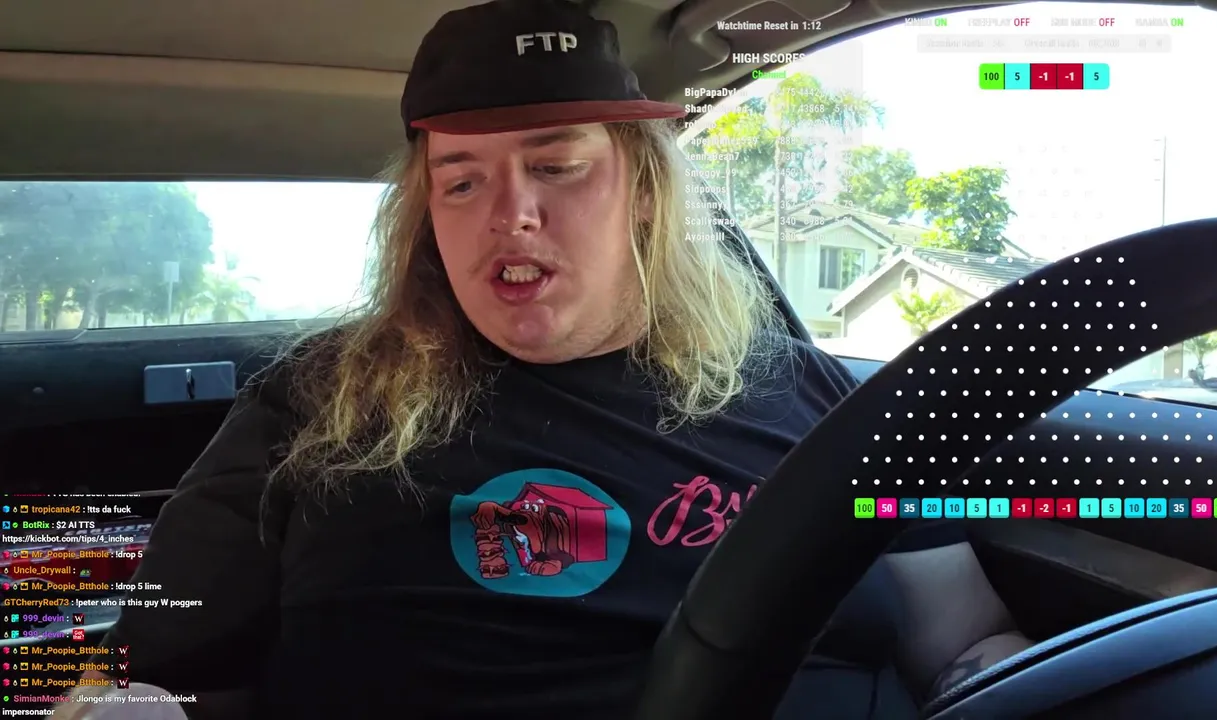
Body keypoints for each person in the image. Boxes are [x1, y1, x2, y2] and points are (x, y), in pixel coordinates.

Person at [51, 0, 1033, 717]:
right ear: (425, 219)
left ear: (642, 192)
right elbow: (146, 678)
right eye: (461, 181)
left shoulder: (820, 399)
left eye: (556, 166)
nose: (509, 214)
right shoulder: (315, 404)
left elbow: (963, 640)